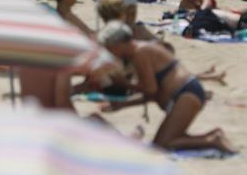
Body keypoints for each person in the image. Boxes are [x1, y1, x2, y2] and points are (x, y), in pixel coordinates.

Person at [98, 22, 234, 154]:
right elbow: (153, 92)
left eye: (109, 47)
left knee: (163, 144)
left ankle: (213, 140)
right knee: (164, 142)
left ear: (118, 44)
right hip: (186, 93)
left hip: (185, 95)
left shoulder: (140, 53)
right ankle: (212, 136)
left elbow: (150, 89)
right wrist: (122, 104)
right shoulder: (140, 51)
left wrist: (123, 84)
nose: (109, 52)